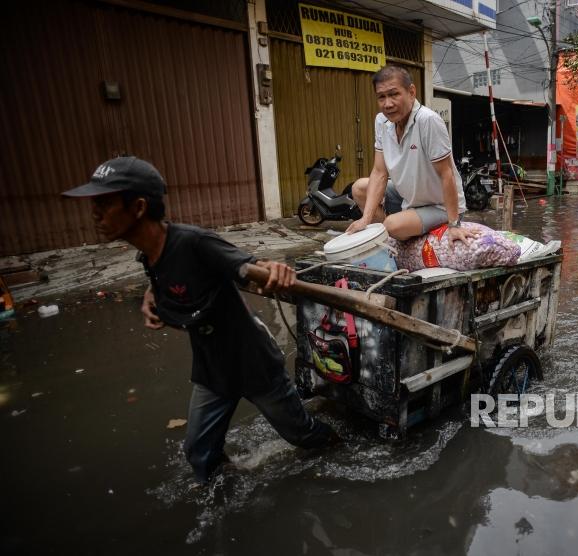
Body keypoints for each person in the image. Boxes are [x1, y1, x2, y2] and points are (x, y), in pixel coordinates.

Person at [62, 157, 337, 484]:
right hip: (211, 367)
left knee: (302, 435)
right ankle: (232, 502)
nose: (95, 212)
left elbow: (246, 266)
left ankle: (340, 448)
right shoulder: (148, 254)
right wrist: (153, 296)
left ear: (137, 207)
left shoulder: (194, 242)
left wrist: (273, 268)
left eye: (104, 203)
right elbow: (169, 278)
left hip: (252, 363)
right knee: (199, 453)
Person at [346, 65, 476, 244]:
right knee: (359, 188)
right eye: (381, 97)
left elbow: (447, 175)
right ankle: (393, 234)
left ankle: (395, 231)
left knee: (391, 225)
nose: (388, 104)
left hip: (439, 205)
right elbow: (379, 171)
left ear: (411, 92)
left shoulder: (428, 121)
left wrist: (454, 225)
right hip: (409, 197)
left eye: (394, 94)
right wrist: (365, 219)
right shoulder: (382, 121)